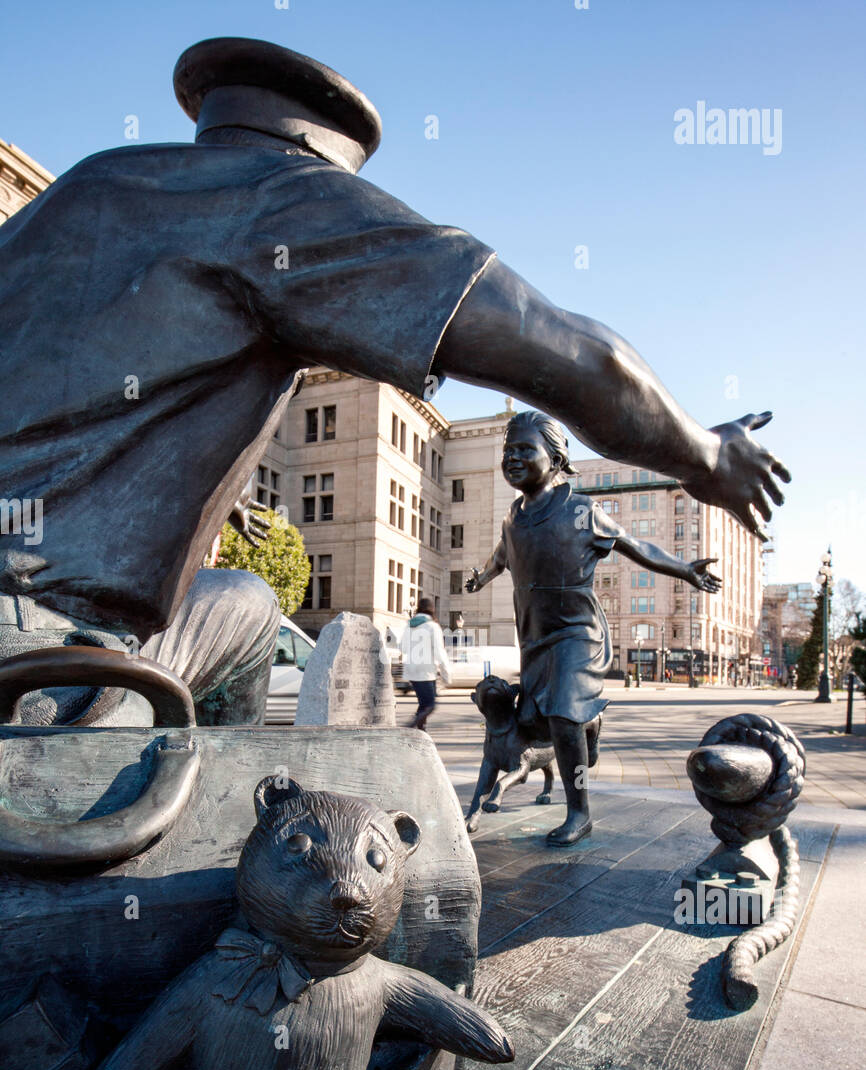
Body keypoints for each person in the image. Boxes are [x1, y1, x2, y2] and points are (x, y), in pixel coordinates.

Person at [0, 36, 786, 724]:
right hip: (41, 654)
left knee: (235, 596)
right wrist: (704, 454)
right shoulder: (284, 195)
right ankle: (184, 823)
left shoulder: (88, 186)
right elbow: (564, 348)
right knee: (249, 611)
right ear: (322, 154)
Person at [466, 411, 722, 845]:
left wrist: (684, 569)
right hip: (535, 637)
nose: (512, 457)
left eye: (524, 449)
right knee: (535, 720)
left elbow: (633, 545)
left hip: (576, 633)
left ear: (555, 459)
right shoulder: (513, 517)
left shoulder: (581, 511)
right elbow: (500, 556)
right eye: (508, 450)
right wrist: (482, 578)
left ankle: (579, 812)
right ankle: (591, 724)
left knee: (563, 714)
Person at [399, 599, 451, 731]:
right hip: (426, 671)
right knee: (430, 705)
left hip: (411, 670)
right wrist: (446, 674)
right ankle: (409, 729)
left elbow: (402, 648)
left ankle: (421, 731)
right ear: (432, 609)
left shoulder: (409, 625)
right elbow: (439, 652)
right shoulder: (432, 626)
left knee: (424, 704)